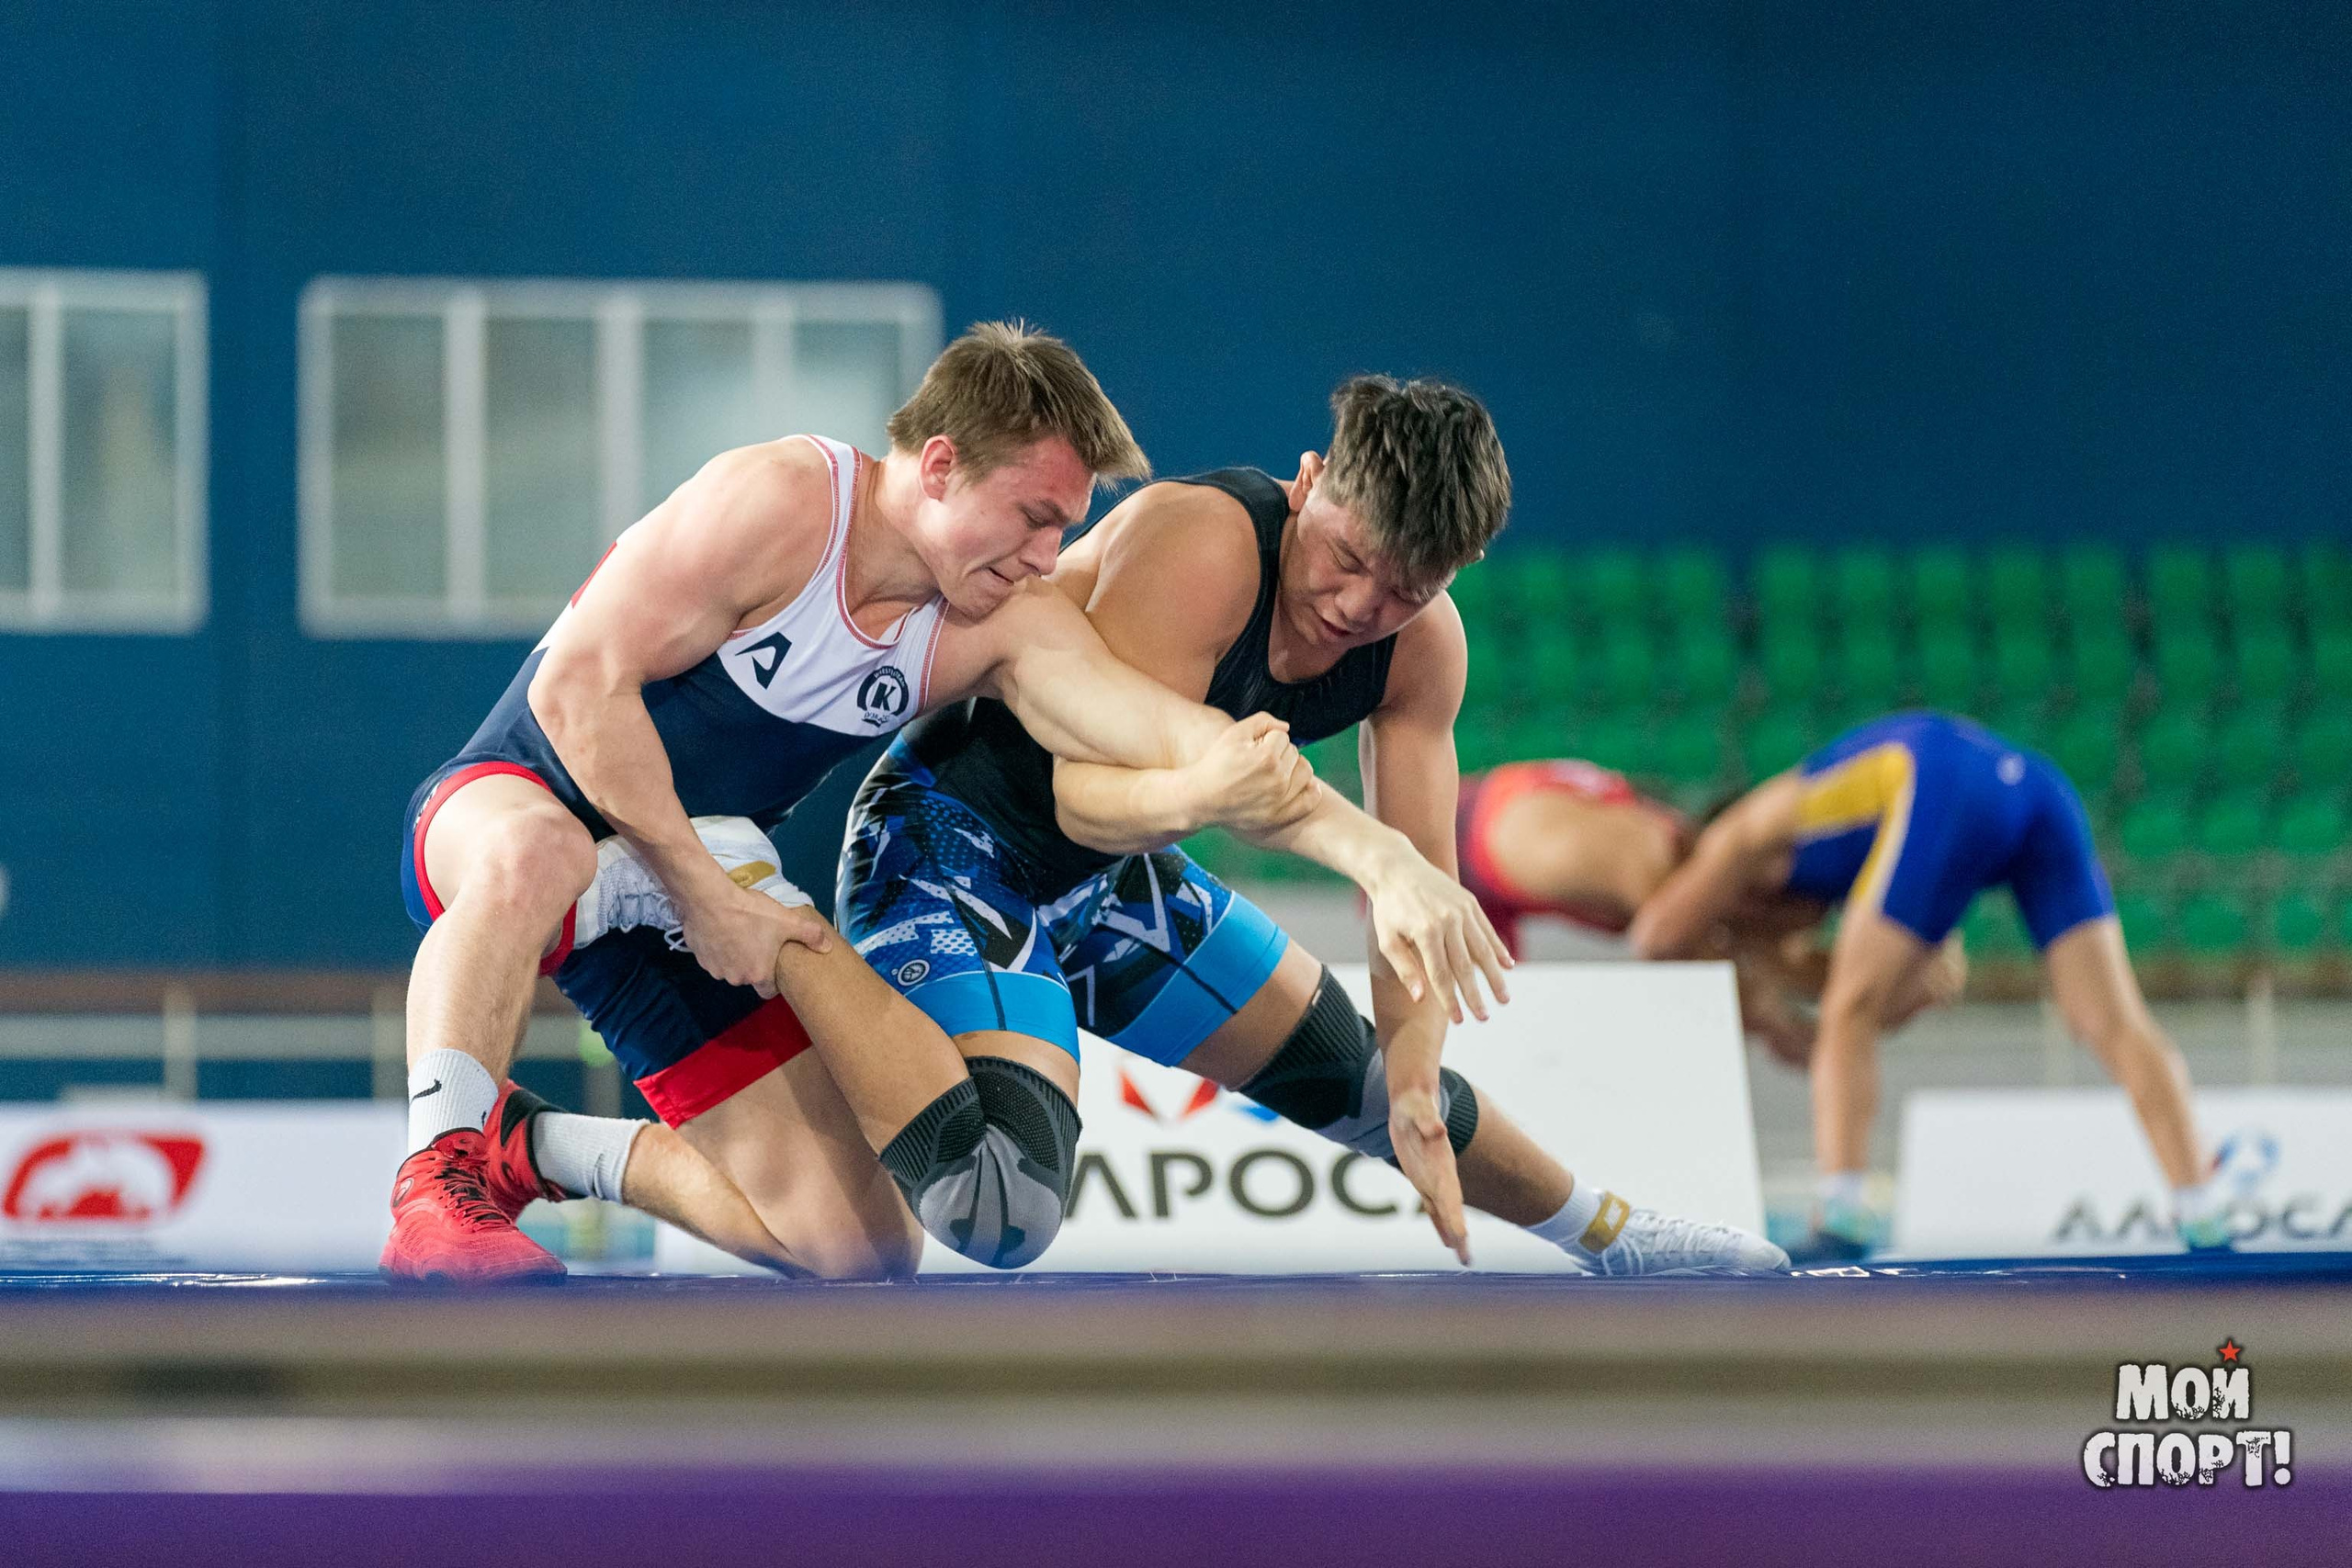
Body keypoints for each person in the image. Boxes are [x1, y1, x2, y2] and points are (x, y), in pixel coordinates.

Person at [389, 321, 1502, 1282]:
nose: (1046, 555)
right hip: (519, 806)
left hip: (679, 905)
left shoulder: (997, 619)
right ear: (936, 467)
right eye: (1029, 517)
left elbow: (1168, 733)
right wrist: (696, 883)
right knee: (542, 854)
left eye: (1064, 525)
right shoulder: (783, 500)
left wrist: (1381, 858)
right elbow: (575, 692)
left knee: (859, 1251)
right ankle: (434, 1187)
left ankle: (531, 1152)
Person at [801, 375, 1785, 1275]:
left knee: (1378, 1089)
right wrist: (1206, 801)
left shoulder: (1423, 650)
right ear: (1309, 483)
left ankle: (1617, 1241)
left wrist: (1411, 1074)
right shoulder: (1202, 544)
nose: (1360, 607)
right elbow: (1077, 795)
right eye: (1348, 560)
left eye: (1407, 589)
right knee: (1001, 1211)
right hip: (946, 842)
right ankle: (787, 958)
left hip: (1113, 871)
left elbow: (1414, 892)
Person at [1628, 709, 2231, 1260]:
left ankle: (1843, 1214)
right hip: (2033, 788)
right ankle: (2203, 1214)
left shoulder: (1737, 834)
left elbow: (1656, 935)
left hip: (1943, 779)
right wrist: (1808, 999)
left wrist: (1751, 960)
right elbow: (1913, 989)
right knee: (2113, 1021)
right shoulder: (1857, 848)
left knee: (1847, 1009)